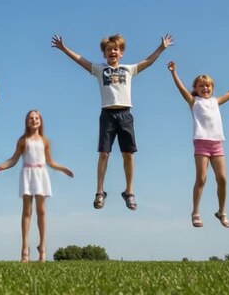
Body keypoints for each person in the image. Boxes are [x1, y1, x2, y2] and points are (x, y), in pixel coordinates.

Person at [51, 33, 172, 211]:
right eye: (108, 50)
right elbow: (80, 60)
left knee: (128, 155)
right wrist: (63, 48)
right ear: (104, 54)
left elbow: (148, 61)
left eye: (115, 49)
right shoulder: (100, 70)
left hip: (125, 114)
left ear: (121, 52)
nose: (112, 52)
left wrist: (161, 48)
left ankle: (129, 192)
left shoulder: (128, 69)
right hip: (107, 115)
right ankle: (100, 191)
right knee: (103, 154)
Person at [168, 61, 229, 228]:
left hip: (217, 143)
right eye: (201, 86)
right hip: (201, 143)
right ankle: (196, 212)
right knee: (201, 178)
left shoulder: (215, 101)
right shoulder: (194, 101)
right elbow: (181, 89)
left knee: (223, 179)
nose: (205, 88)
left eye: (208, 86)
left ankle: (221, 211)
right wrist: (174, 72)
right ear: (196, 88)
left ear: (212, 88)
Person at [0, 110, 73, 263]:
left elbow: (50, 162)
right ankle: (25, 248)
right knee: (27, 211)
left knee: (41, 211)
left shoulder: (45, 141)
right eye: (31, 118)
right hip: (27, 174)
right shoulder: (23, 140)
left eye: (36, 118)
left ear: (40, 121)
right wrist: (3, 166)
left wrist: (63, 169)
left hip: (41, 174)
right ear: (27, 121)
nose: (34, 120)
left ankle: (42, 247)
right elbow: (14, 159)